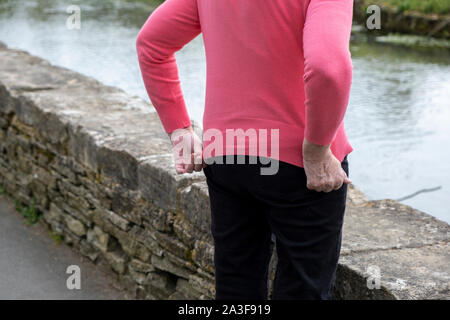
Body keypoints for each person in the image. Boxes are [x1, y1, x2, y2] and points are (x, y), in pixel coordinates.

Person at [136, 0, 354, 300]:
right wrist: (317, 149)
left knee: (237, 290)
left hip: (227, 157)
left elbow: (151, 44)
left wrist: (179, 129)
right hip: (297, 165)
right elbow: (328, 68)